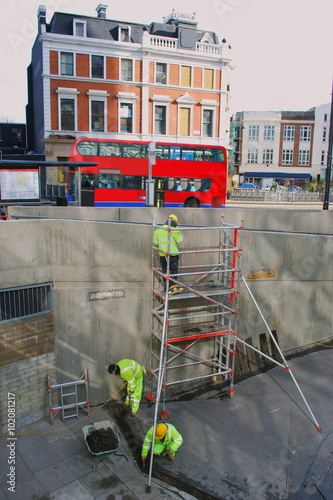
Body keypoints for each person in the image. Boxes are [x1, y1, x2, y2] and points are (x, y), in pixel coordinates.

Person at [152, 214, 183, 294]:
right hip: (172, 255)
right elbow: (180, 240)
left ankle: (166, 288)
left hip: (163, 255)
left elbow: (154, 242)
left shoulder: (158, 230)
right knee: (174, 271)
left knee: (165, 272)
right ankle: (172, 288)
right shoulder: (174, 230)